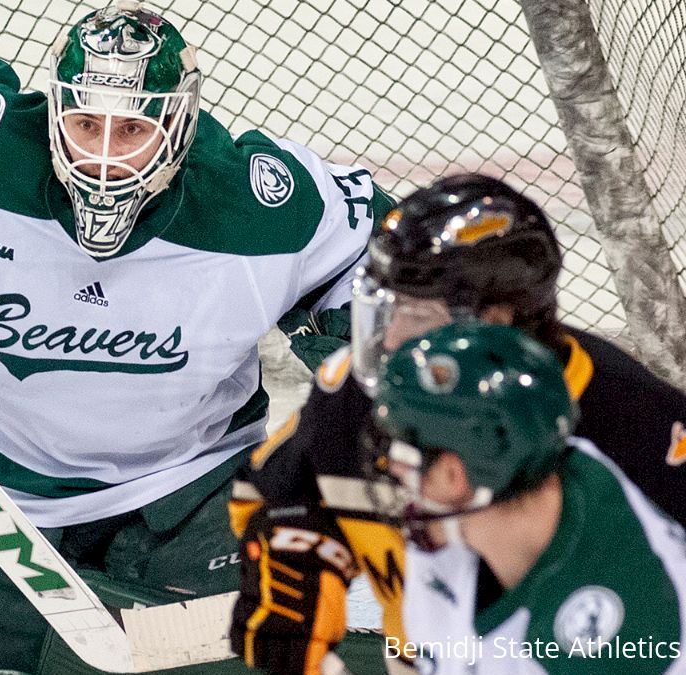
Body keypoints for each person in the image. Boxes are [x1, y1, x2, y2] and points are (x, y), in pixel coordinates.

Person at [0, 1, 393, 670]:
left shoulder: (258, 204)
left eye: (133, 129)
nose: (104, 159)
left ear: (178, 124)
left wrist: (385, 400)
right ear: (55, 111)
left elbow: (391, 258)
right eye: (86, 124)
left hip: (188, 494)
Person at [229, 173, 686, 674]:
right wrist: (298, 563)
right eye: (386, 309)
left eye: (419, 316)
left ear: (501, 321)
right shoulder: (358, 391)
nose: (392, 337)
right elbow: (283, 491)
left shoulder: (636, 421)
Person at [376, 322, 686, 674]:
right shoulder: (465, 513)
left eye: (403, 454)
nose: (393, 471)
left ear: (453, 475)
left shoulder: (630, 638)